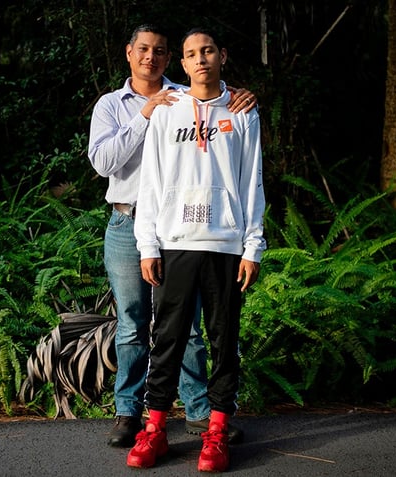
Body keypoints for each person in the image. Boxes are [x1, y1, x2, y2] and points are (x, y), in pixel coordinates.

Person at [87, 24, 255, 448]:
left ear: (171, 58)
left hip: (187, 230)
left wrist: (243, 97)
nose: (151, 56)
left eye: (160, 50)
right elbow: (104, 162)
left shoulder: (182, 96)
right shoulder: (112, 105)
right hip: (130, 224)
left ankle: (199, 412)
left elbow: (213, 95)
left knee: (189, 329)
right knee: (133, 324)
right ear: (129, 53)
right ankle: (129, 413)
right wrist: (145, 114)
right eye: (143, 49)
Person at [127, 27, 266, 472]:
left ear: (222, 56)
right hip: (175, 243)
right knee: (166, 341)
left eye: (207, 51)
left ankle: (216, 434)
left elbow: (252, 181)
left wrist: (253, 246)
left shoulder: (242, 111)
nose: (200, 59)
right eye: (190, 54)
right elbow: (150, 183)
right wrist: (148, 244)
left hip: (225, 244)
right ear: (181, 64)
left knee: (224, 342)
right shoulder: (167, 112)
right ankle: (154, 432)